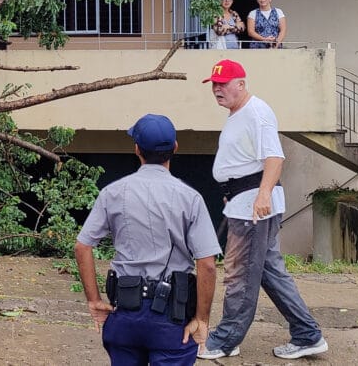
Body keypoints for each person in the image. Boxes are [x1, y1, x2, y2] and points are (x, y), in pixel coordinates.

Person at [198, 60, 327, 360]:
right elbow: (245, 162)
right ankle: (308, 334)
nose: (218, 89)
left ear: (241, 83)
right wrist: (236, 194)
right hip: (244, 202)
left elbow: (274, 158)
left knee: (239, 275)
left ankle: (225, 340)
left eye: (224, 83)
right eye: (214, 84)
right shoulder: (239, 114)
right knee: (270, 273)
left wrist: (262, 195)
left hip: (254, 207)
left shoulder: (257, 113)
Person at [76, 113, 220, 365]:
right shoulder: (191, 198)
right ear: (175, 148)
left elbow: (82, 247)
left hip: (125, 315)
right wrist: (201, 319)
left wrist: (95, 301)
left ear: (136, 149)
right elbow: (206, 264)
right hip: (172, 319)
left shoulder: (113, 193)